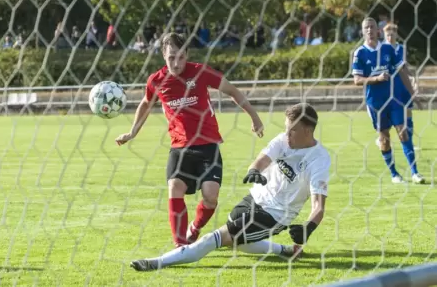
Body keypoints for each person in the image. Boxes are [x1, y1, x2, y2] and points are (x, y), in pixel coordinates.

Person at [130, 103, 331, 271]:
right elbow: (262, 159)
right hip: (255, 198)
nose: (287, 134)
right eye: (286, 128)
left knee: (214, 238)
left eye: (292, 130)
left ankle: (157, 262)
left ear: (307, 130)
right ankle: (286, 250)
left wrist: (309, 227)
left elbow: (318, 206)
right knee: (237, 240)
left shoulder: (319, 159)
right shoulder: (283, 140)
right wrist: (254, 170)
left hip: (276, 214)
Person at [115, 32, 265, 247]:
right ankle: (180, 245)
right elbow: (146, 104)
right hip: (180, 147)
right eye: (171, 57)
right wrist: (132, 132)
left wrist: (255, 116)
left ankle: (194, 228)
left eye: (181, 57)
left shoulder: (200, 72)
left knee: (210, 196)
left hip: (208, 146)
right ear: (163, 56)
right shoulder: (156, 81)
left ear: (187, 54)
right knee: (175, 187)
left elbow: (232, 90)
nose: (176, 63)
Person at [352, 18, 424, 184]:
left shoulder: (387, 49)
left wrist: (412, 93)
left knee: (403, 131)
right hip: (375, 102)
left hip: (394, 99)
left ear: (378, 31)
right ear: (362, 32)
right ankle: (394, 174)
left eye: (372, 27)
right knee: (384, 138)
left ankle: (415, 172)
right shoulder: (360, 53)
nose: (369, 30)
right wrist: (376, 78)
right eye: (366, 28)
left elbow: (402, 71)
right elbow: (356, 80)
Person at [375, 22, 419, 151]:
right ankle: (382, 138)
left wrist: (413, 78)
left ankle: (409, 142)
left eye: (391, 34)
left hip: (401, 85)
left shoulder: (401, 48)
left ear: (396, 34)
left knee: (408, 113)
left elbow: (404, 67)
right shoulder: (381, 48)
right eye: (387, 35)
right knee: (387, 116)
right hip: (387, 86)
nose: (389, 37)